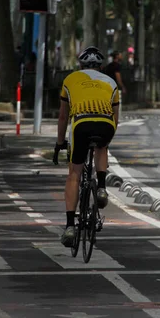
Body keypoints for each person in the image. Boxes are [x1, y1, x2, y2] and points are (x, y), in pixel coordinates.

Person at [54, 46, 119, 247]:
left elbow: (64, 116)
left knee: (74, 174)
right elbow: (115, 119)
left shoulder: (70, 80)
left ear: (80, 65)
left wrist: (59, 143)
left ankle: (70, 227)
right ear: (101, 66)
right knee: (102, 147)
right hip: (106, 124)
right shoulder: (111, 83)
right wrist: (106, 141)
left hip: (81, 123)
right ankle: (101, 188)